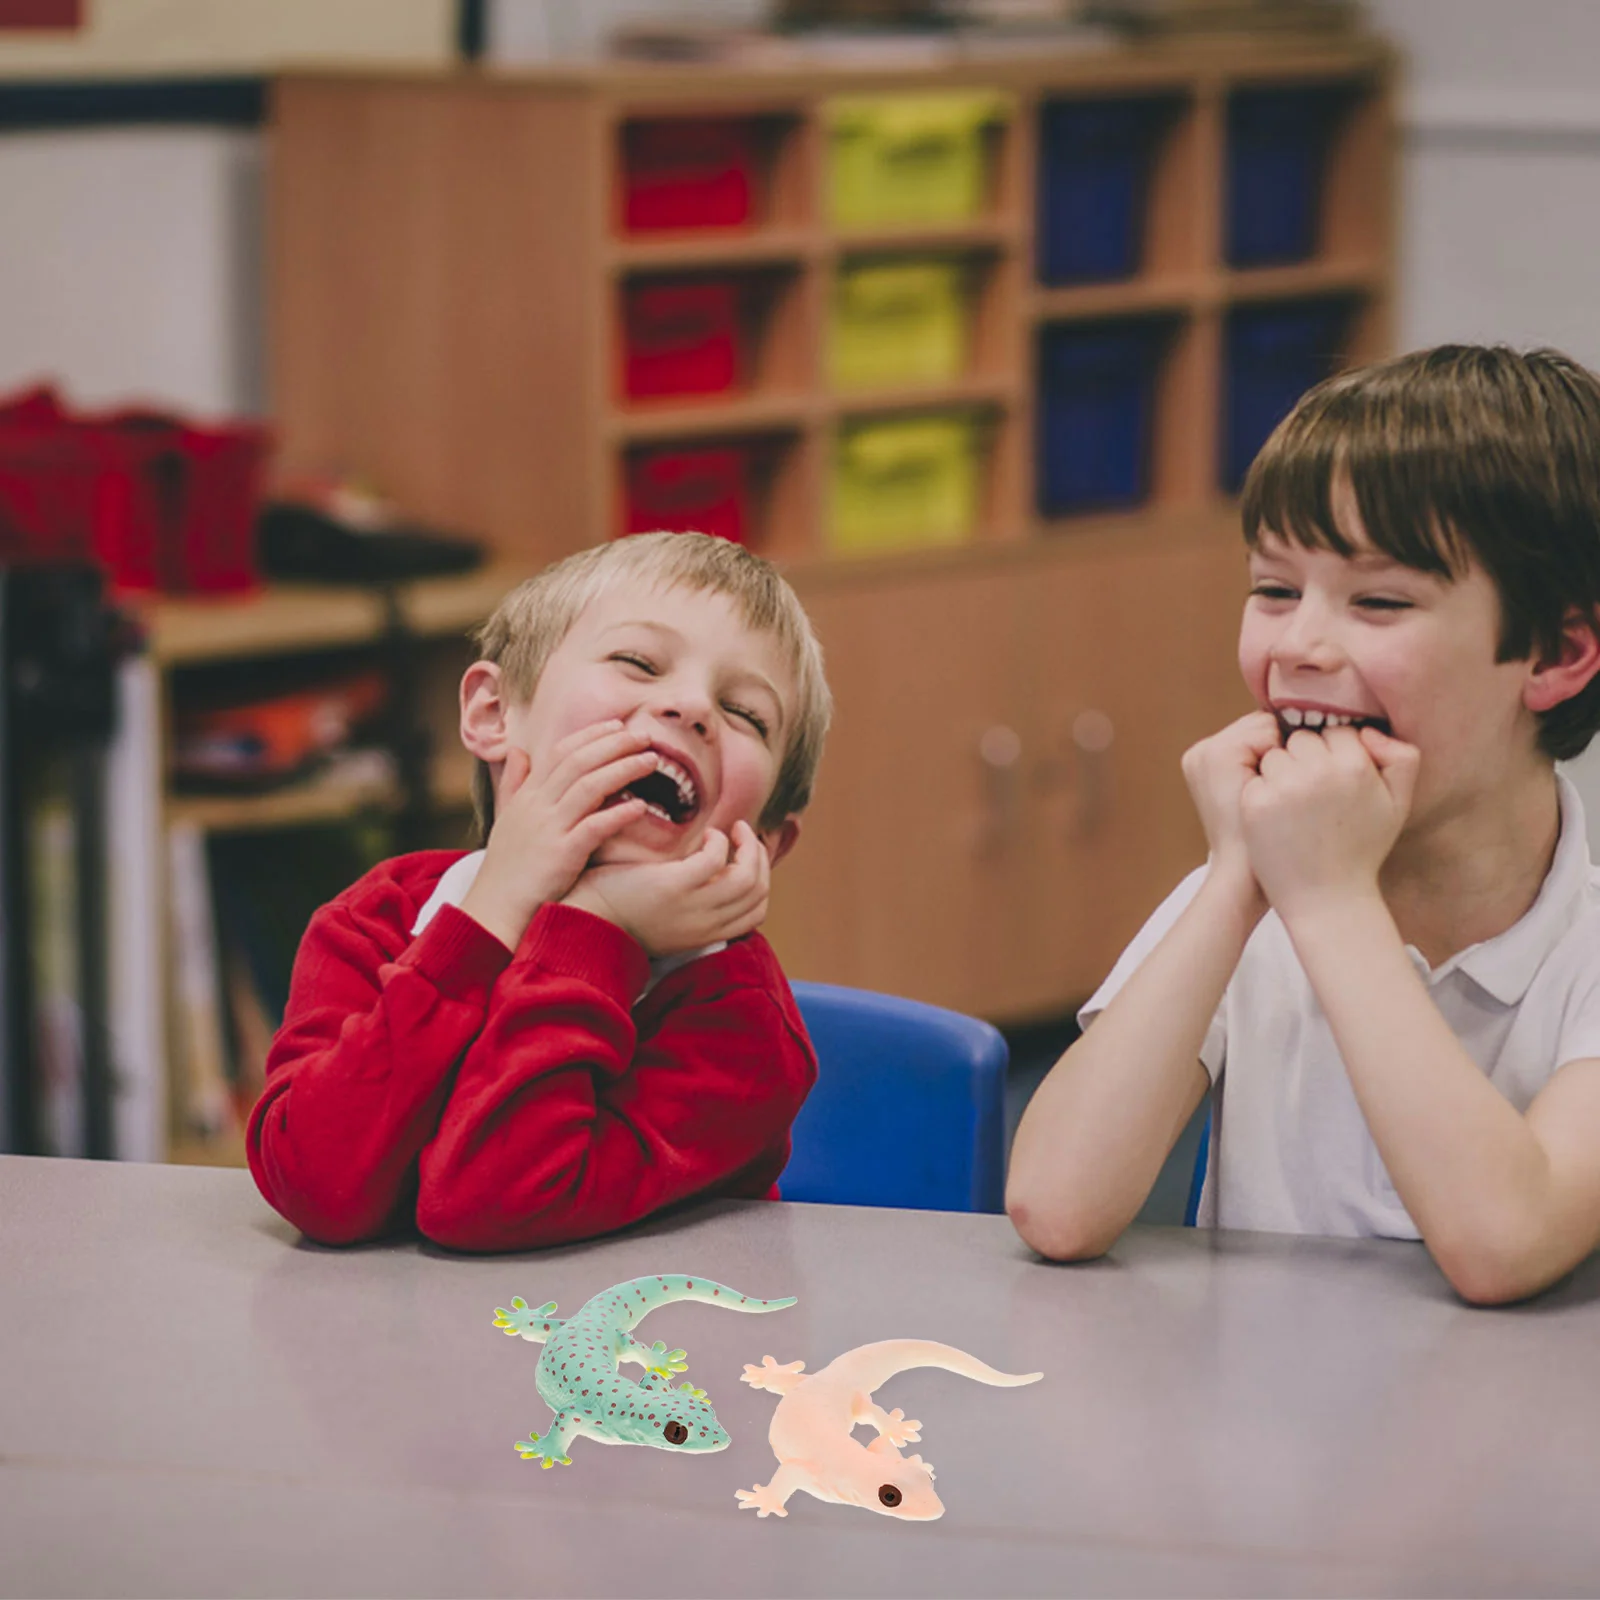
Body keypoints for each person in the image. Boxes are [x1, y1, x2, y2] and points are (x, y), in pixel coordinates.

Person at [1006, 345, 1600, 1305]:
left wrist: (1328, 900)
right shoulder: (1256, 888)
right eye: (1274, 590)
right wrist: (1237, 876)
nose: (1298, 647)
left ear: (1556, 652)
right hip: (1258, 1437)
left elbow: (1504, 1243)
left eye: (1379, 601)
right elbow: (1056, 1204)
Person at [248, 531, 832, 1252]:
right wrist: (488, 917)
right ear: (493, 714)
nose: (690, 707)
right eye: (639, 662)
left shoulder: (744, 1030)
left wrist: (595, 929)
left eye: (746, 714)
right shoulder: (379, 918)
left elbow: (491, 1203)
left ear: (768, 841)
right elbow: (316, 1185)